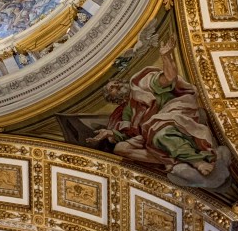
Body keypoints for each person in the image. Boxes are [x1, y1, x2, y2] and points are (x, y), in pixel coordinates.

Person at [88, 39, 220, 176]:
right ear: (115, 99)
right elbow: (129, 133)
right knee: (120, 149)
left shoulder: (141, 84)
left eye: (115, 83)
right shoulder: (127, 111)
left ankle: (197, 162)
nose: (116, 86)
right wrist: (109, 133)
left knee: (160, 134)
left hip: (172, 116)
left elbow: (169, 78)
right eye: (112, 89)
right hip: (148, 133)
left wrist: (166, 56)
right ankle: (169, 159)